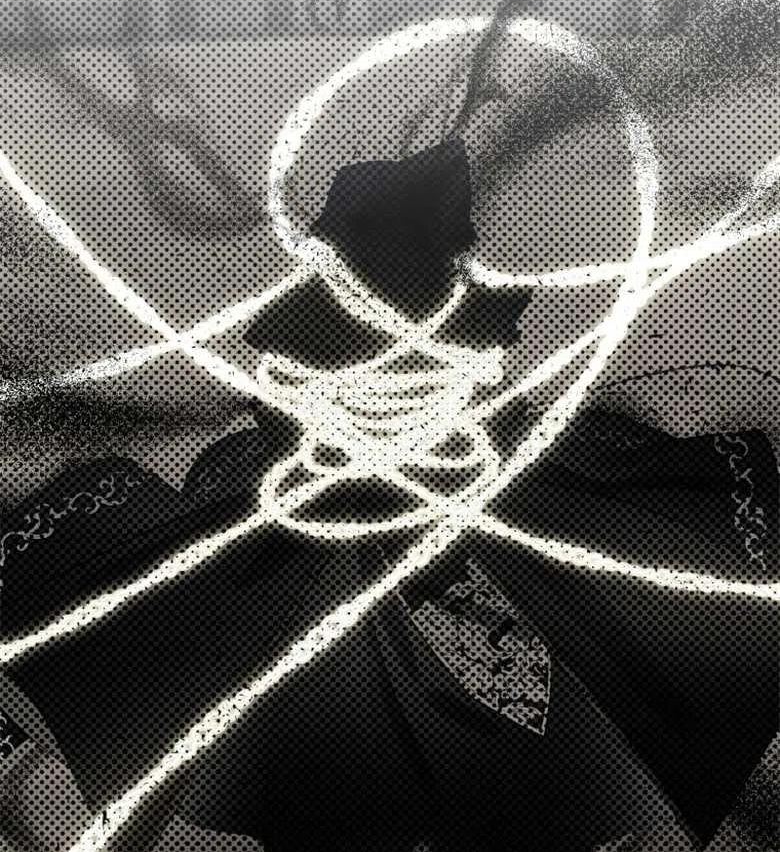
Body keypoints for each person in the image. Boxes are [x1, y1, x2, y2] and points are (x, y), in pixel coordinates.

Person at [0, 137, 776, 851]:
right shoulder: (385, 362)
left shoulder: (427, 364)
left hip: (427, 536)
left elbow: (466, 407)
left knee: (469, 724)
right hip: (349, 545)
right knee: (340, 726)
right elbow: (314, 421)